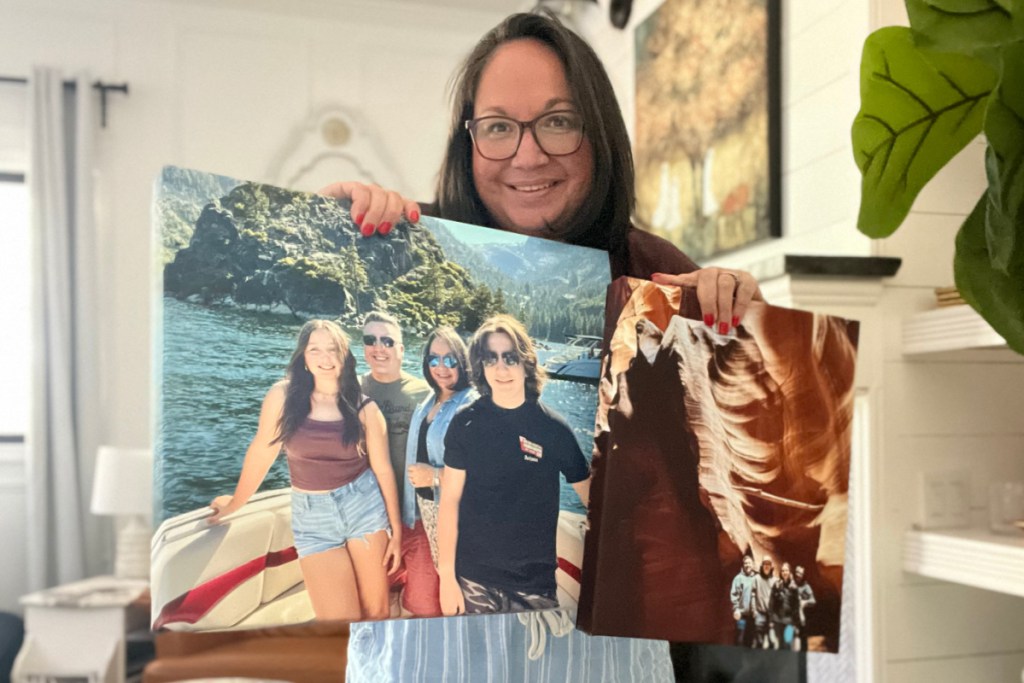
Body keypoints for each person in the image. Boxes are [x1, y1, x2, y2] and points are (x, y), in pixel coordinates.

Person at [324, 10, 763, 682]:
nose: (527, 154)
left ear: (598, 132)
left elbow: (723, 494)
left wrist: (741, 328)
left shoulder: (657, 272)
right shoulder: (406, 244)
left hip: (597, 653)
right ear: (468, 142)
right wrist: (334, 220)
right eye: (498, 126)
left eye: (558, 120)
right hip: (433, 653)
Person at [209, 320, 401, 621]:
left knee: (376, 613)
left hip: (364, 507)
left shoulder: (366, 409)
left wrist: (397, 534)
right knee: (340, 622)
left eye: (333, 350)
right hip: (312, 517)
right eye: (315, 350)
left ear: (345, 357)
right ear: (304, 358)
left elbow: (384, 471)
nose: (325, 359)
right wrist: (235, 503)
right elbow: (263, 451)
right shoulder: (282, 397)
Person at [438, 314, 590, 616]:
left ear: (526, 362)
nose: (501, 368)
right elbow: (450, 501)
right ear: (480, 365)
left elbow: (592, 498)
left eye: (510, 358)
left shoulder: (553, 429)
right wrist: (446, 578)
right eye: (490, 358)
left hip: (534, 585)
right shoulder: (465, 423)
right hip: (473, 579)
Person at [358, 311, 432, 615]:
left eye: (388, 340)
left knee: (426, 607)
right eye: (370, 340)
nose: (379, 347)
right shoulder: (351, 389)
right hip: (368, 518)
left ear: (401, 349)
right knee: (370, 605)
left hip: (416, 517)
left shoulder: (425, 393)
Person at [400, 326, 477, 616]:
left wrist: (433, 476)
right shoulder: (428, 402)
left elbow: (486, 473)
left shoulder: (472, 405)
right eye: (434, 360)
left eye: (450, 360)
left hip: (457, 519)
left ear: (463, 361)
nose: (441, 368)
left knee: (461, 594)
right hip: (425, 512)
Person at [768, 562, 800, 650]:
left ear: (790, 572)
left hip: (789, 621)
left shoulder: (794, 588)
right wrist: (771, 620)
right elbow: (771, 603)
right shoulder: (776, 585)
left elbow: (796, 606)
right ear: (780, 573)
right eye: (782, 571)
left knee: (787, 643)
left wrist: (796, 623)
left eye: (786, 570)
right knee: (778, 644)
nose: (784, 572)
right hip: (777, 620)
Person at [730, 553, 757, 647]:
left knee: (751, 639)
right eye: (745, 563)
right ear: (743, 565)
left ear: (753, 564)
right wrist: (736, 608)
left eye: (749, 563)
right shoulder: (738, 579)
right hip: (741, 616)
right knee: (740, 637)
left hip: (753, 617)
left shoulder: (757, 578)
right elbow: (734, 595)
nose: (747, 565)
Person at [750, 556, 777, 649]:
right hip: (759, 614)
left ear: (771, 566)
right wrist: (754, 611)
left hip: (771, 616)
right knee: (759, 641)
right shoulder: (756, 579)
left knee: (772, 641)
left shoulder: (775, 581)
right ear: (762, 566)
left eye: (768, 564)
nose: (766, 566)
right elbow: (752, 596)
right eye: (765, 564)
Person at [794, 564, 817, 651]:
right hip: (791, 618)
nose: (798, 575)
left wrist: (805, 602)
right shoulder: (791, 583)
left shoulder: (806, 587)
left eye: (800, 573)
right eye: (796, 572)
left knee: (803, 642)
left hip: (802, 620)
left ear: (803, 575)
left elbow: (813, 601)